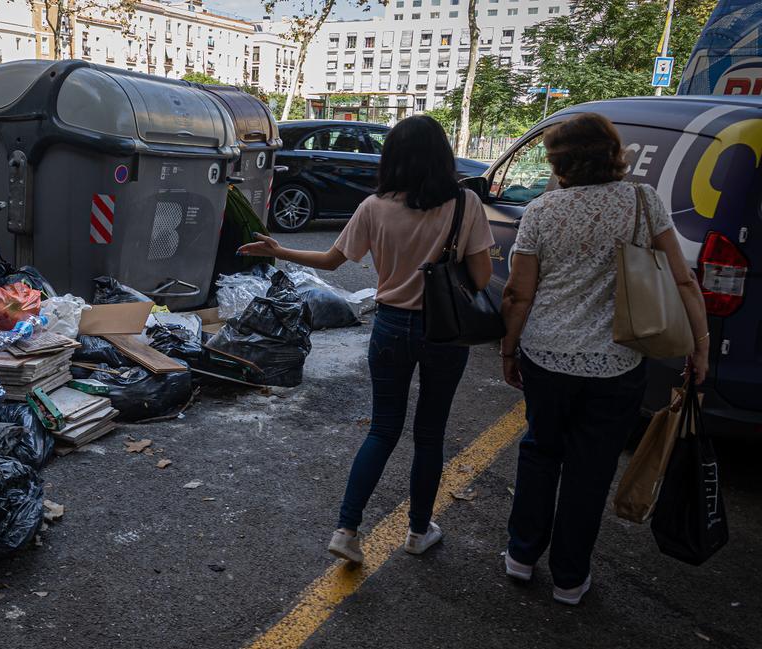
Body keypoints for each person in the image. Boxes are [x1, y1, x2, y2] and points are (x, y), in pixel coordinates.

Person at [239, 116, 494, 563]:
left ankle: (347, 529)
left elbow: (332, 260)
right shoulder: (464, 203)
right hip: (445, 331)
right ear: (441, 155)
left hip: (392, 326)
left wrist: (278, 249)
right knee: (429, 435)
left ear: (392, 156)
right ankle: (418, 531)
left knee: (382, 429)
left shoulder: (375, 206)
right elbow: (482, 276)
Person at [499, 112, 710, 605]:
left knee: (540, 452)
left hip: (546, 355)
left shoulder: (542, 211)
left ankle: (521, 556)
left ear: (559, 161)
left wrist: (510, 349)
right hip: (617, 362)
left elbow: (517, 293)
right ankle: (570, 579)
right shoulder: (642, 201)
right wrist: (699, 347)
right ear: (614, 153)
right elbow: (682, 281)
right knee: (590, 469)